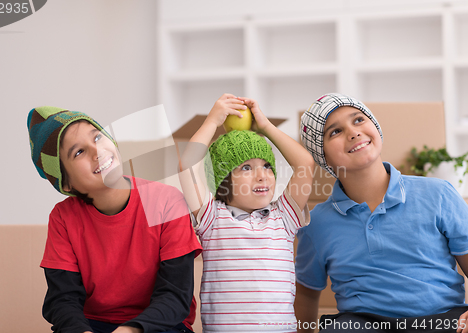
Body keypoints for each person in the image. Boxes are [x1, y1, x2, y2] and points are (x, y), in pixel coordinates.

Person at [294, 93, 468, 333]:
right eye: (335, 131)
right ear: (321, 155)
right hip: (361, 325)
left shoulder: (438, 194)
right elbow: (306, 295)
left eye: (358, 120)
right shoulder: (316, 223)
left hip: (441, 322)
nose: (353, 132)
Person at [27, 106, 202, 333]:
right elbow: (63, 300)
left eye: (97, 137)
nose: (97, 151)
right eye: (78, 152)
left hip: (161, 325)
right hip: (92, 325)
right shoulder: (63, 218)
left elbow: (175, 296)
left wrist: (129, 330)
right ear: (66, 183)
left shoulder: (168, 201)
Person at [178, 93, 314, 332]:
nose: (262, 175)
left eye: (267, 166)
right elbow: (187, 166)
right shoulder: (213, 218)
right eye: (246, 167)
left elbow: (305, 164)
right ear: (223, 181)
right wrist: (212, 121)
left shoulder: (283, 217)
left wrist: (265, 126)